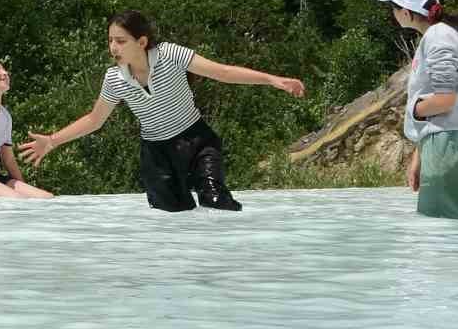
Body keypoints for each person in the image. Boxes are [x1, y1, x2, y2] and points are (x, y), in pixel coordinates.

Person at [19, 11, 305, 212]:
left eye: (121, 40)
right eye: (110, 40)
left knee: (215, 200)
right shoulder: (115, 79)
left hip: (196, 142)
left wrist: (272, 80)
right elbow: (95, 119)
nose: (113, 47)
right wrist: (52, 140)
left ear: (141, 42)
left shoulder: (169, 54)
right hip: (157, 156)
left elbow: (224, 72)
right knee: (173, 219)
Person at [376, 0, 458, 219]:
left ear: (405, 12)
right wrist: (420, 154)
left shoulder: (438, 37)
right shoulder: (446, 33)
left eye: (392, 7)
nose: (391, 14)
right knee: (447, 230)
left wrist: (413, 109)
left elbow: (444, 101)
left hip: (446, 146)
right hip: (448, 143)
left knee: (438, 232)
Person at [0, 59, 55, 200]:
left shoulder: (5, 116)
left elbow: (8, 159)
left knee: (47, 198)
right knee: (19, 201)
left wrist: (23, 187)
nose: (5, 72)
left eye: (4, 69)